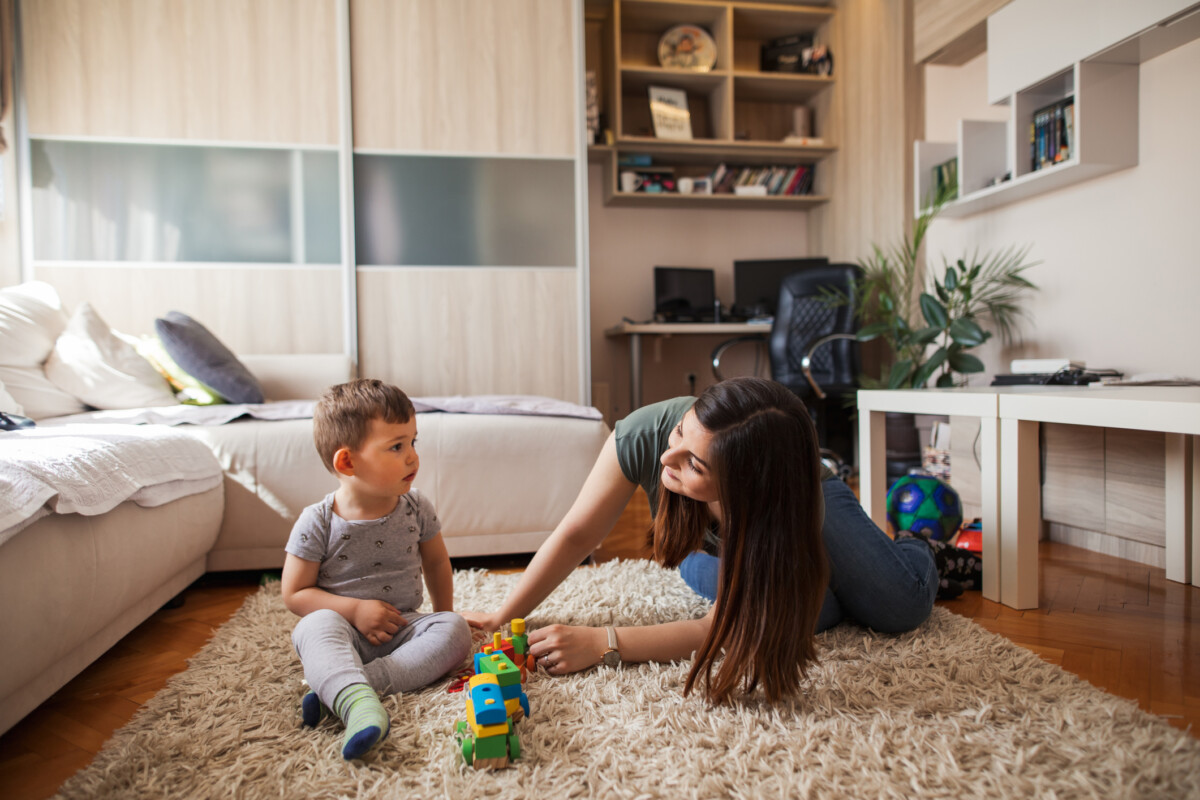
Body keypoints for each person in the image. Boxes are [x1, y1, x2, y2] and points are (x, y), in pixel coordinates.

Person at [462, 377, 936, 704]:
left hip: (798, 506)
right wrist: (506, 613)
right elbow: (576, 533)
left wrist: (604, 642)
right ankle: (819, 578)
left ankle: (915, 543)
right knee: (812, 609)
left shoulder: (770, 497)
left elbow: (722, 627)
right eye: (679, 433)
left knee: (900, 606)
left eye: (695, 465)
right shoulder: (645, 435)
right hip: (705, 546)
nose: (669, 457)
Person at [281, 379, 472, 760]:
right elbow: (294, 594)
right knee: (312, 627)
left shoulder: (415, 507)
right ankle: (357, 704)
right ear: (348, 462)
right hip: (342, 631)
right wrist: (353, 610)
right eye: (397, 446)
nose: (412, 457)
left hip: (403, 629)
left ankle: (345, 689)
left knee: (455, 630)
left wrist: (443, 613)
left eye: (413, 442)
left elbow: (436, 562)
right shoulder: (317, 520)